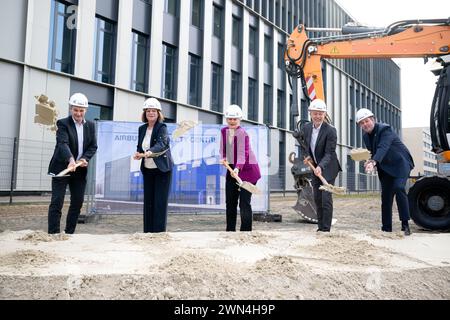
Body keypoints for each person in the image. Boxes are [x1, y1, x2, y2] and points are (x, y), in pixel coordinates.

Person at [356, 108, 414, 236]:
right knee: (386, 197)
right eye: (362, 123)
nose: (365, 124)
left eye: (367, 121)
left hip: (400, 164)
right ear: (360, 126)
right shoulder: (366, 137)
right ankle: (386, 228)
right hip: (385, 168)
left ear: (373, 119)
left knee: (399, 188)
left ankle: (405, 225)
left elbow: (383, 147)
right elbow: (373, 152)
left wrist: (374, 162)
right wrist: (369, 161)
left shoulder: (385, 129)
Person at [47, 93, 98, 234]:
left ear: (85, 110)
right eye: (75, 109)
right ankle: (54, 233)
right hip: (62, 167)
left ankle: (69, 233)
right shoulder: (63, 123)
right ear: (71, 109)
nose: (78, 113)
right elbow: (63, 143)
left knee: (78, 201)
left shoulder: (91, 126)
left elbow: (93, 146)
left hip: (79, 170)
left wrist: (84, 159)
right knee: (57, 201)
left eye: (81, 110)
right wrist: (70, 160)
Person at [301, 99, 342, 232]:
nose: (318, 116)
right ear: (310, 113)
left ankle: (326, 229)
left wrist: (321, 166)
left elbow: (329, 153)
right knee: (317, 198)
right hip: (315, 168)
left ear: (325, 114)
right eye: (315, 113)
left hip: (329, 168)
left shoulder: (330, 131)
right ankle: (320, 227)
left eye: (320, 113)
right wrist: (307, 157)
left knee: (325, 198)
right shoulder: (306, 128)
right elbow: (305, 146)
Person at [134, 98, 173, 233]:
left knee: (159, 203)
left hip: (162, 170)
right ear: (145, 113)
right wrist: (138, 153)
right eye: (148, 111)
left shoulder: (162, 127)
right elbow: (140, 146)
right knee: (148, 202)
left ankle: (159, 233)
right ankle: (148, 232)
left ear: (158, 113)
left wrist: (150, 152)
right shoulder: (142, 128)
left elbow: (162, 144)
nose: (151, 113)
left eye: (153, 111)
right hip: (148, 169)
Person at [220, 104, 261, 232]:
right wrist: (224, 157)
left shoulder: (243, 134)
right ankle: (230, 231)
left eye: (235, 119)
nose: (232, 121)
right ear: (226, 119)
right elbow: (223, 149)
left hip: (248, 172)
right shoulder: (224, 131)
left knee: (244, 202)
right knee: (230, 202)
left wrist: (238, 168)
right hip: (232, 170)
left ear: (239, 120)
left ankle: (246, 232)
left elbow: (243, 154)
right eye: (230, 119)